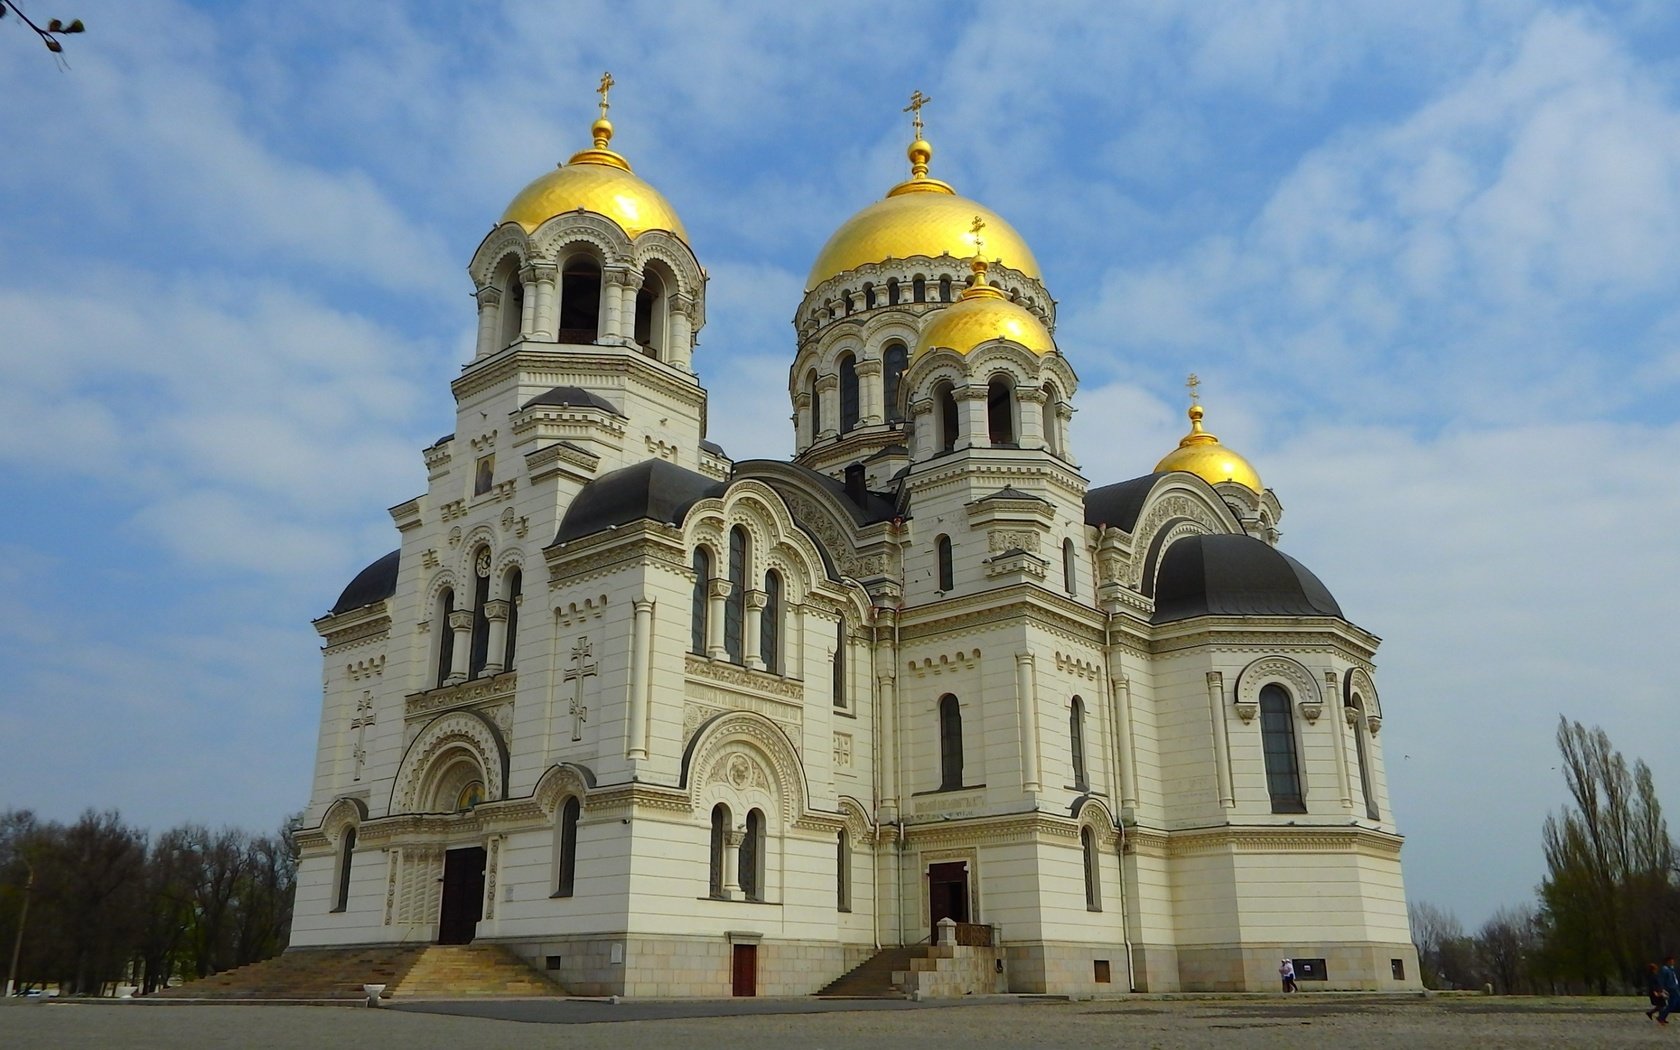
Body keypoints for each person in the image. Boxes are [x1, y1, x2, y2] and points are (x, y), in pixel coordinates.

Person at [1658, 957, 1680, 1026]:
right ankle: (1661, 1017)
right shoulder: (1664, 969)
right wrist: (1661, 989)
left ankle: (1662, 1016)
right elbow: (1662, 979)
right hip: (1671, 988)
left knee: (1673, 1003)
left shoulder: (1670, 969)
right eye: (1671, 961)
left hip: (1675, 988)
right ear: (1667, 962)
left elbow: (1675, 978)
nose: (1672, 963)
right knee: (1672, 1004)